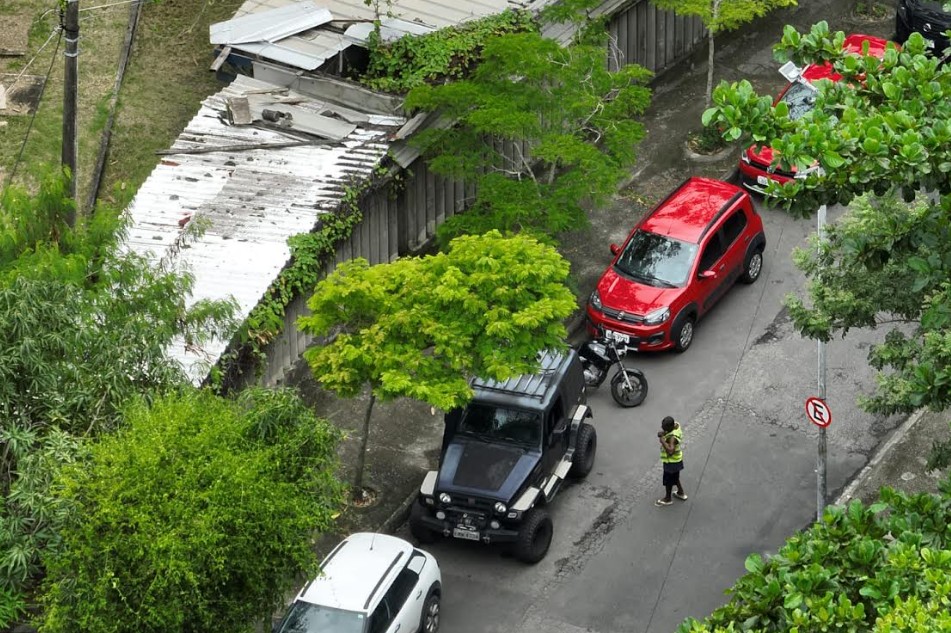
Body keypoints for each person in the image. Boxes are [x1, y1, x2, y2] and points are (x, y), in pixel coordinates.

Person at [655, 416, 687, 507]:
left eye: (665, 428)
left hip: (671, 462)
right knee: (675, 477)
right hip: (677, 460)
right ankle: (681, 493)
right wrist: (664, 433)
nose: (662, 429)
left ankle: (667, 499)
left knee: (668, 481)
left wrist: (662, 441)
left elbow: (670, 451)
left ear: (670, 428)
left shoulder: (672, 438)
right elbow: (668, 432)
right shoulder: (676, 426)